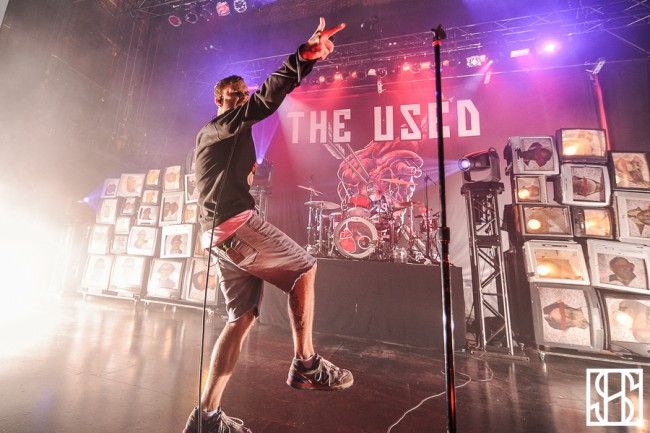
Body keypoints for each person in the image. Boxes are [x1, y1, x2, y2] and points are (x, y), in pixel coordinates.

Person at [183, 18, 350, 433]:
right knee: (304, 267)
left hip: (219, 234)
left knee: (240, 319)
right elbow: (266, 101)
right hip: (234, 225)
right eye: (233, 94)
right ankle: (306, 364)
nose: (242, 97)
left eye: (244, 92)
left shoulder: (228, 137)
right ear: (218, 99)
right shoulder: (218, 128)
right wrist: (304, 56)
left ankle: (207, 417)